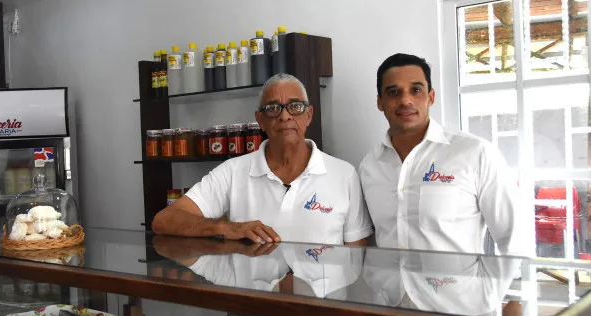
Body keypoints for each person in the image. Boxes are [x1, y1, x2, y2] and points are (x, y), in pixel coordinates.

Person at [153, 73, 373, 246]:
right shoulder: (232, 172)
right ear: (260, 120)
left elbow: (356, 257)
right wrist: (227, 228)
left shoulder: (344, 175)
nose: (284, 116)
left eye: (295, 107)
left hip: (322, 301)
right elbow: (164, 220)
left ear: (309, 115)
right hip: (255, 300)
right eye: (273, 108)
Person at [359, 53, 528, 255]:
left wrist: (494, 286)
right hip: (388, 288)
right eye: (394, 92)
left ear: (431, 97)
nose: (405, 100)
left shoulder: (475, 154)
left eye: (416, 90)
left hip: (457, 287)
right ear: (380, 102)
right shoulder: (370, 166)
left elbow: (514, 240)